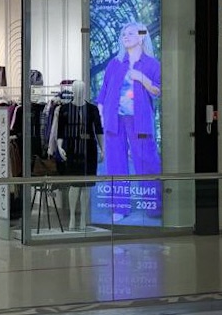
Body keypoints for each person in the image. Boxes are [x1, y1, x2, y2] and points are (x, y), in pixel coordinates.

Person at [96, 21, 161, 221]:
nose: (125, 36)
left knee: (147, 160)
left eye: (131, 33)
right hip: (114, 120)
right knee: (115, 163)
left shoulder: (152, 64)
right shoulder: (115, 63)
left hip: (139, 121)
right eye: (124, 34)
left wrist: (141, 77)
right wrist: (102, 116)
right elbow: (103, 93)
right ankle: (119, 207)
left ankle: (154, 205)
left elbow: (158, 90)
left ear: (141, 37)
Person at [56, 80, 104, 231]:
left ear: (85, 91)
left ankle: (83, 217)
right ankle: (72, 216)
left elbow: (99, 130)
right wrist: (59, 147)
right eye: (76, 89)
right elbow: (60, 131)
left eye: (81, 89)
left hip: (89, 150)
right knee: (74, 185)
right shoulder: (64, 109)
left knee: (86, 185)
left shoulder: (92, 109)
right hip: (72, 150)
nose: (79, 91)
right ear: (73, 90)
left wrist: (103, 149)